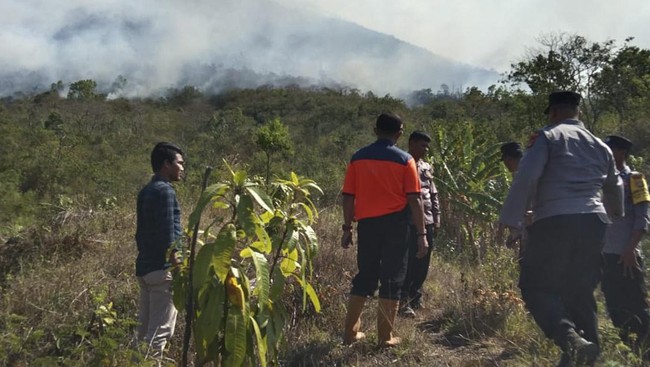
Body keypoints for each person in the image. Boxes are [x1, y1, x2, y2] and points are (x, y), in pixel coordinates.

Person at [499, 91, 623, 366]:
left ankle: (568, 336)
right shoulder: (600, 145)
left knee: (535, 286)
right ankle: (586, 357)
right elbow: (614, 186)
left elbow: (527, 176)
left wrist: (511, 219)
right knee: (580, 293)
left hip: (556, 219)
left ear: (553, 112)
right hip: (593, 221)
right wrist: (615, 215)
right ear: (576, 112)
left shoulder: (547, 137)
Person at [340, 112, 428, 347]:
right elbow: (415, 199)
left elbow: (348, 197)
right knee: (392, 278)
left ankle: (350, 333)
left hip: (367, 226)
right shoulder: (405, 160)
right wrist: (422, 234)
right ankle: (385, 337)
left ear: (375, 130)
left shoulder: (358, 158)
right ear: (399, 134)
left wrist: (347, 228)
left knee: (365, 275)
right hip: (396, 227)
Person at [135, 142, 185, 361]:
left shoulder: (146, 191)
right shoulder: (165, 192)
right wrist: (178, 267)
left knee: (143, 333)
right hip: (161, 271)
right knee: (160, 333)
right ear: (166, 164)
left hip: (145, 269)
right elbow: (169, 235)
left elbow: (140, 233)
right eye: (179, 163)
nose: (182, 168)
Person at [601, 135, 650, 350]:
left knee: (636, 304)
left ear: (621, 152)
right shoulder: (602, 180)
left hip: (626, 254)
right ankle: (630, 349)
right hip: (605, 255)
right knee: (614, 306)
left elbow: (643, 219)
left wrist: (630, 250)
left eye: (610, 149)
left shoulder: (636, 179)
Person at [399, 131, 441, 317]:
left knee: (423, 261)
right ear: (411, 144)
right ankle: (403, 298)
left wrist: (437, 216)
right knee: (407, 260)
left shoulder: (426, 167)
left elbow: (433, 193)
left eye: (427, 146)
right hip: (407, 220)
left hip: (428, 220)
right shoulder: (402, 163)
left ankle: (416, 295)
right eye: (422, 145)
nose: (425, 150)